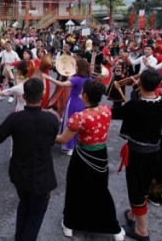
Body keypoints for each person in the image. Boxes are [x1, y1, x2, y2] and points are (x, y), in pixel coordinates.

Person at [0, 78, 60, 241]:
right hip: (42, 177)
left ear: (24, 96)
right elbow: (52, 139)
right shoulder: (52, 119)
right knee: (35, 215)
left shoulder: (15, 118)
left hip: (20, 173)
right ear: (43, 94)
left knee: (24, 205)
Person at [55, 80, 125, 240]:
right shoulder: (107, 110)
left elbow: (62, 139)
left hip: (83, 156)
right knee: (100, 189)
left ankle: (70, 224)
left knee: (75, 189)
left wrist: (45, 133)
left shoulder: (79, 117)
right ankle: (114, 228)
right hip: (101, 154)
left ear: (84, 96)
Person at [112, 68, 162, 241]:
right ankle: (132, 215)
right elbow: (148, 101)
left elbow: (116, 112)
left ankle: (142, 230)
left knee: (136, 189)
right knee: (143, 184)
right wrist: (141, 89)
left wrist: (120, 91)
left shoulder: (135, 105)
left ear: (140, 84)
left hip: (138, 153)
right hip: (154, 150)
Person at [43, 59, 91, 155]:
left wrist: (49, 78)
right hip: (84, 103)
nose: (75, 68)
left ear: (80, 67)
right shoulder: (89, 78)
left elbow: (62, 84)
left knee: (69, 123)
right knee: (80, 124)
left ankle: (67, 146)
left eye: (76, 66)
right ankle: (75, 144)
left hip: (73, 102)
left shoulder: (76, 79)